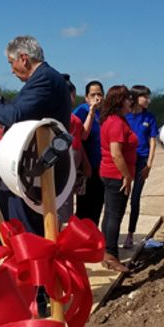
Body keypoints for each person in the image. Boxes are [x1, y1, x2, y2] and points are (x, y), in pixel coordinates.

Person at [0, 35, 71, 235]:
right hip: (35, 172)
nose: (11, 70)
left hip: (36, 172)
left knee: (28, 236)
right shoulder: (46, 78)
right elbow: (21, 111)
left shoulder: (44, 79)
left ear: (23, 58)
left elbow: (15, 116)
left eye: (11, 62)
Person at [99, 85, 138, 273]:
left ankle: (106, 251)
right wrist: (127, 176)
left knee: (109, 213)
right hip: (116, 175)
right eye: (128, 98)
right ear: (119, 101)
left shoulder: (114, 120)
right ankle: (111, 255)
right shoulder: (116, 123)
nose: (131, 102)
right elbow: (116, 154)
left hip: (111, 174)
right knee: (115, 214)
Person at [123, 84, 159, 249]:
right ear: (136, 98)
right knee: (121, 197)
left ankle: (130, 234)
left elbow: (152, 141)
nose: (148, 100)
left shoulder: (150, 117)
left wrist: (149, 164)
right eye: (145, 96)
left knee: (135, 198)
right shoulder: (126, 116)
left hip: (142, 161)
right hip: (126, 161)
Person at [58, 74, 90, 224]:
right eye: (71, 94)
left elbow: (81, 138)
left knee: (68, 201)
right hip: (63, 167)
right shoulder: (59, 117)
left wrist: (85, 163)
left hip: (73, 168)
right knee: (62, 202)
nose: (72, 98)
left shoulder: (73, 117)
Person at [74, 80, 105, 223]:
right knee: (84, 205)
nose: (97, 97)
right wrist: (91, 112)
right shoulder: (82, 111)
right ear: (86, 97)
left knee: (98, 203)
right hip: (86, 165)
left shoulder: (105, 113)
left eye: (99, 94)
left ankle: (93, 235)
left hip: (101, 165)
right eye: (93, 94)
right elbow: (79, 137)